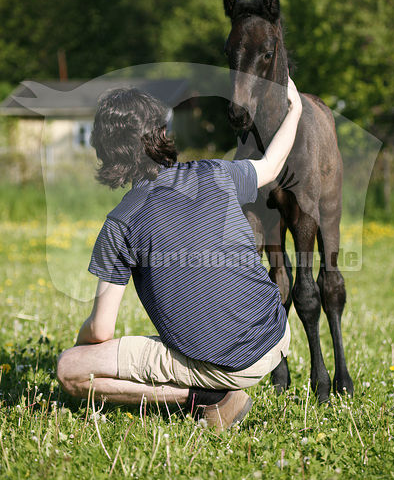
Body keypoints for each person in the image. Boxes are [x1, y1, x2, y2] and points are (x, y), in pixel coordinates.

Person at [57, 77, 302, 432]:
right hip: (276, 336)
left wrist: (82, 348)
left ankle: (209, 399)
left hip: (229, 365)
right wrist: (294, 111)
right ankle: (212, 390)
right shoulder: (215, 172)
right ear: (161, 133)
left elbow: (101, 330)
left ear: (107, 150)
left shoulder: (121, 223)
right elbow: (273, 163)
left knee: (70, 369)